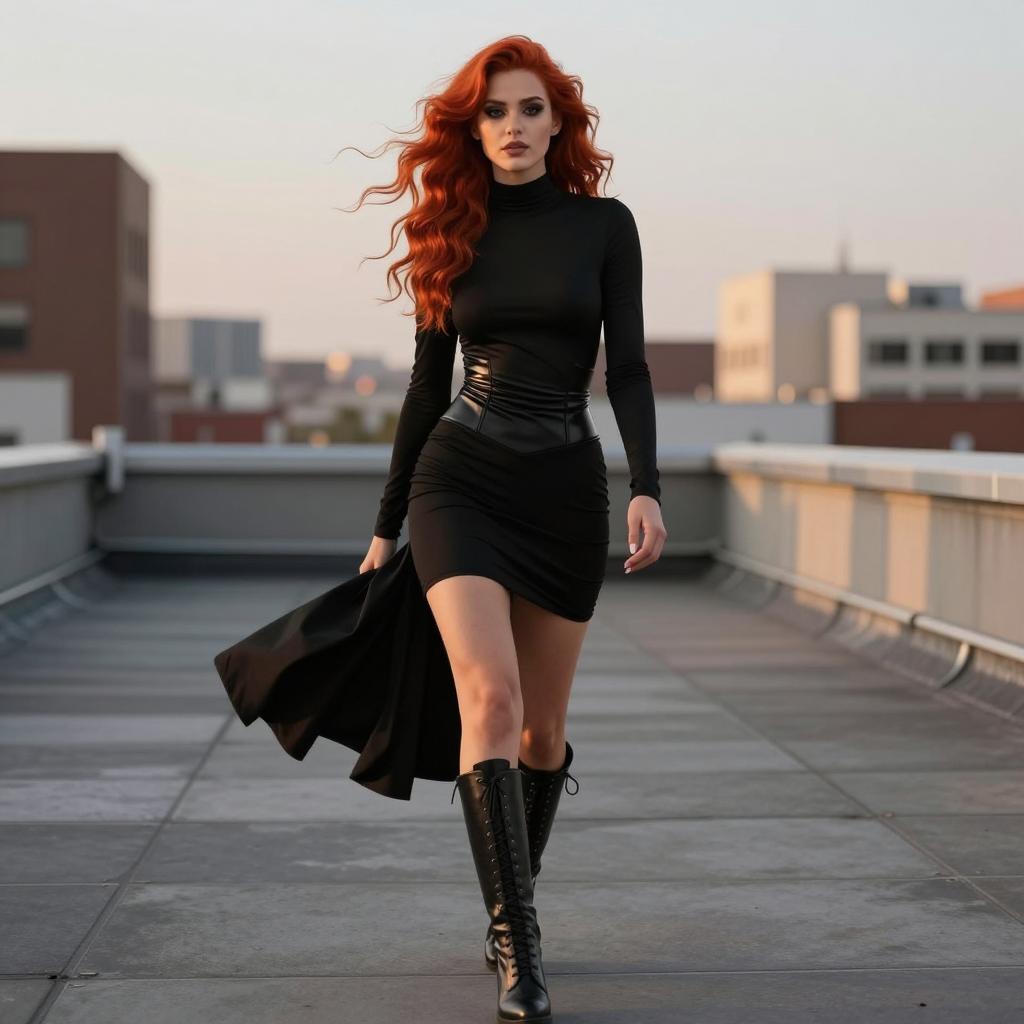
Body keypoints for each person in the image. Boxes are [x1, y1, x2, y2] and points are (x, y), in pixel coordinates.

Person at [352, 34, 667, 1024]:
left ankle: (509, 917)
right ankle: (518, 948)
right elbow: (425, 387)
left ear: (557, 122)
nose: (514, 126)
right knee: (488, 698)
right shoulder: (451, 228)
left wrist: (647, 486)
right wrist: (387, 523)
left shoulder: (605, 226)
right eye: (495, 111)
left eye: (532, 108)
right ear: (474, 126)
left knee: (542, 731)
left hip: (565, 491)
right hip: (462, 481)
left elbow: (630, 368)